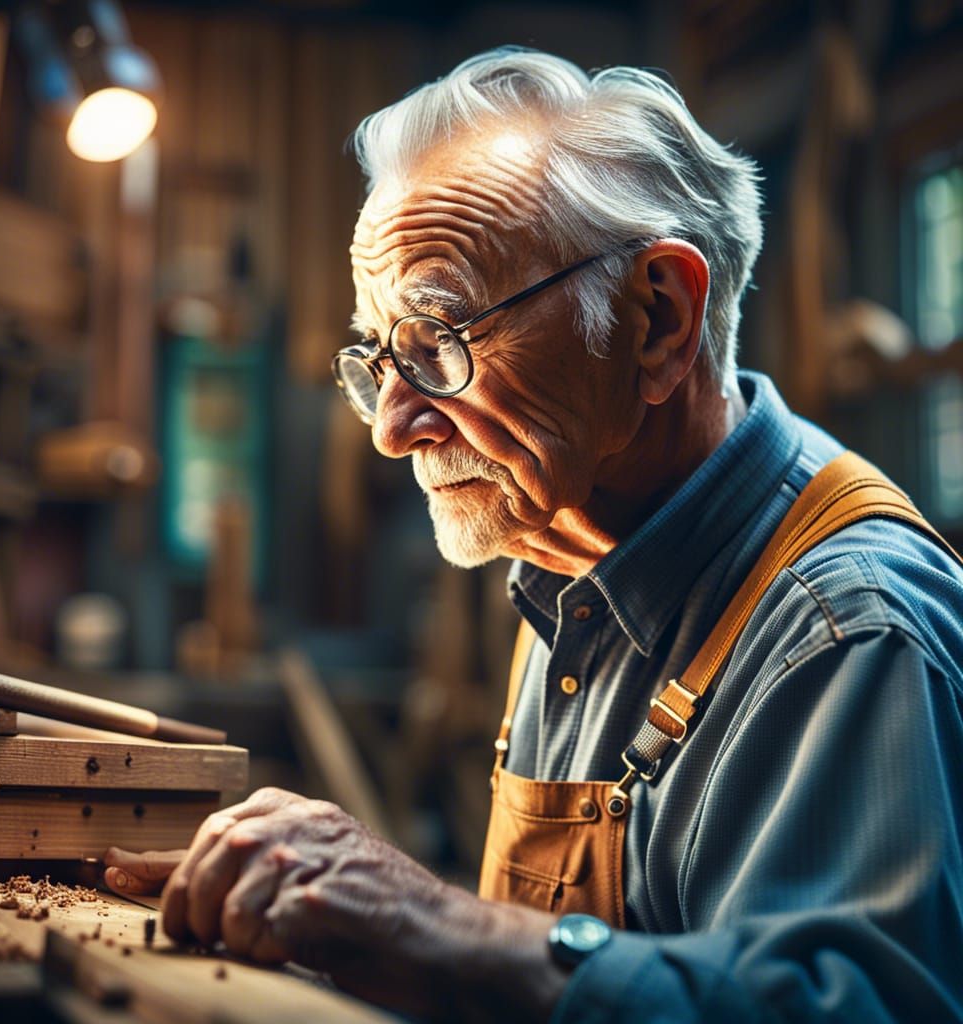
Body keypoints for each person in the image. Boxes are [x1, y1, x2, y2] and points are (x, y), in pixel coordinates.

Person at [104, 48, 963, 1023]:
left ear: (657, 320)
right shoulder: (568, 553)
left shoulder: (847, 632)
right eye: (378, 358)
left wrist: (434, 921)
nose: (392, 429)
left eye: (439, 341)